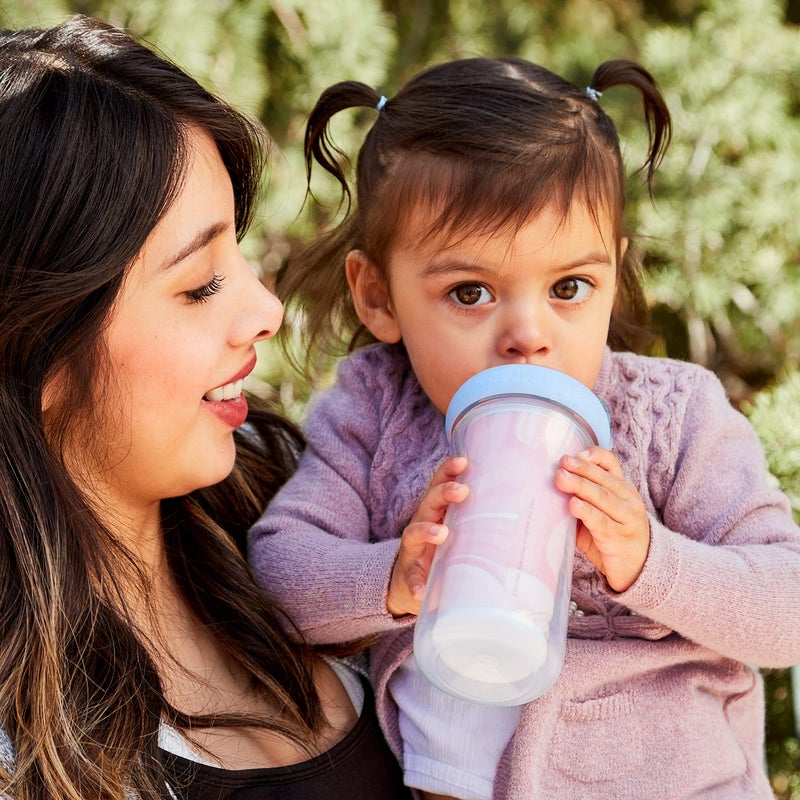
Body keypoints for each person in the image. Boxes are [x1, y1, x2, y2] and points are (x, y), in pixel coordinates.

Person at [248, 54, 800, 800]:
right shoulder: (374, 412)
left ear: (614, 274)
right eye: (470, 292)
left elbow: (786, 606)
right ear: (377, 296)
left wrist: (650, 563)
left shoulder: (673, 416)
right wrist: (391, 576)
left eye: (570, 287)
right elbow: (280, 577)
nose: (528, 335)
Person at [0, 14, 414, 800]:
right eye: (199, 286)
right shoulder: (26, 760)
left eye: (241, 254)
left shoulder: (322, 509)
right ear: (35, 347)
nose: (266, 310)